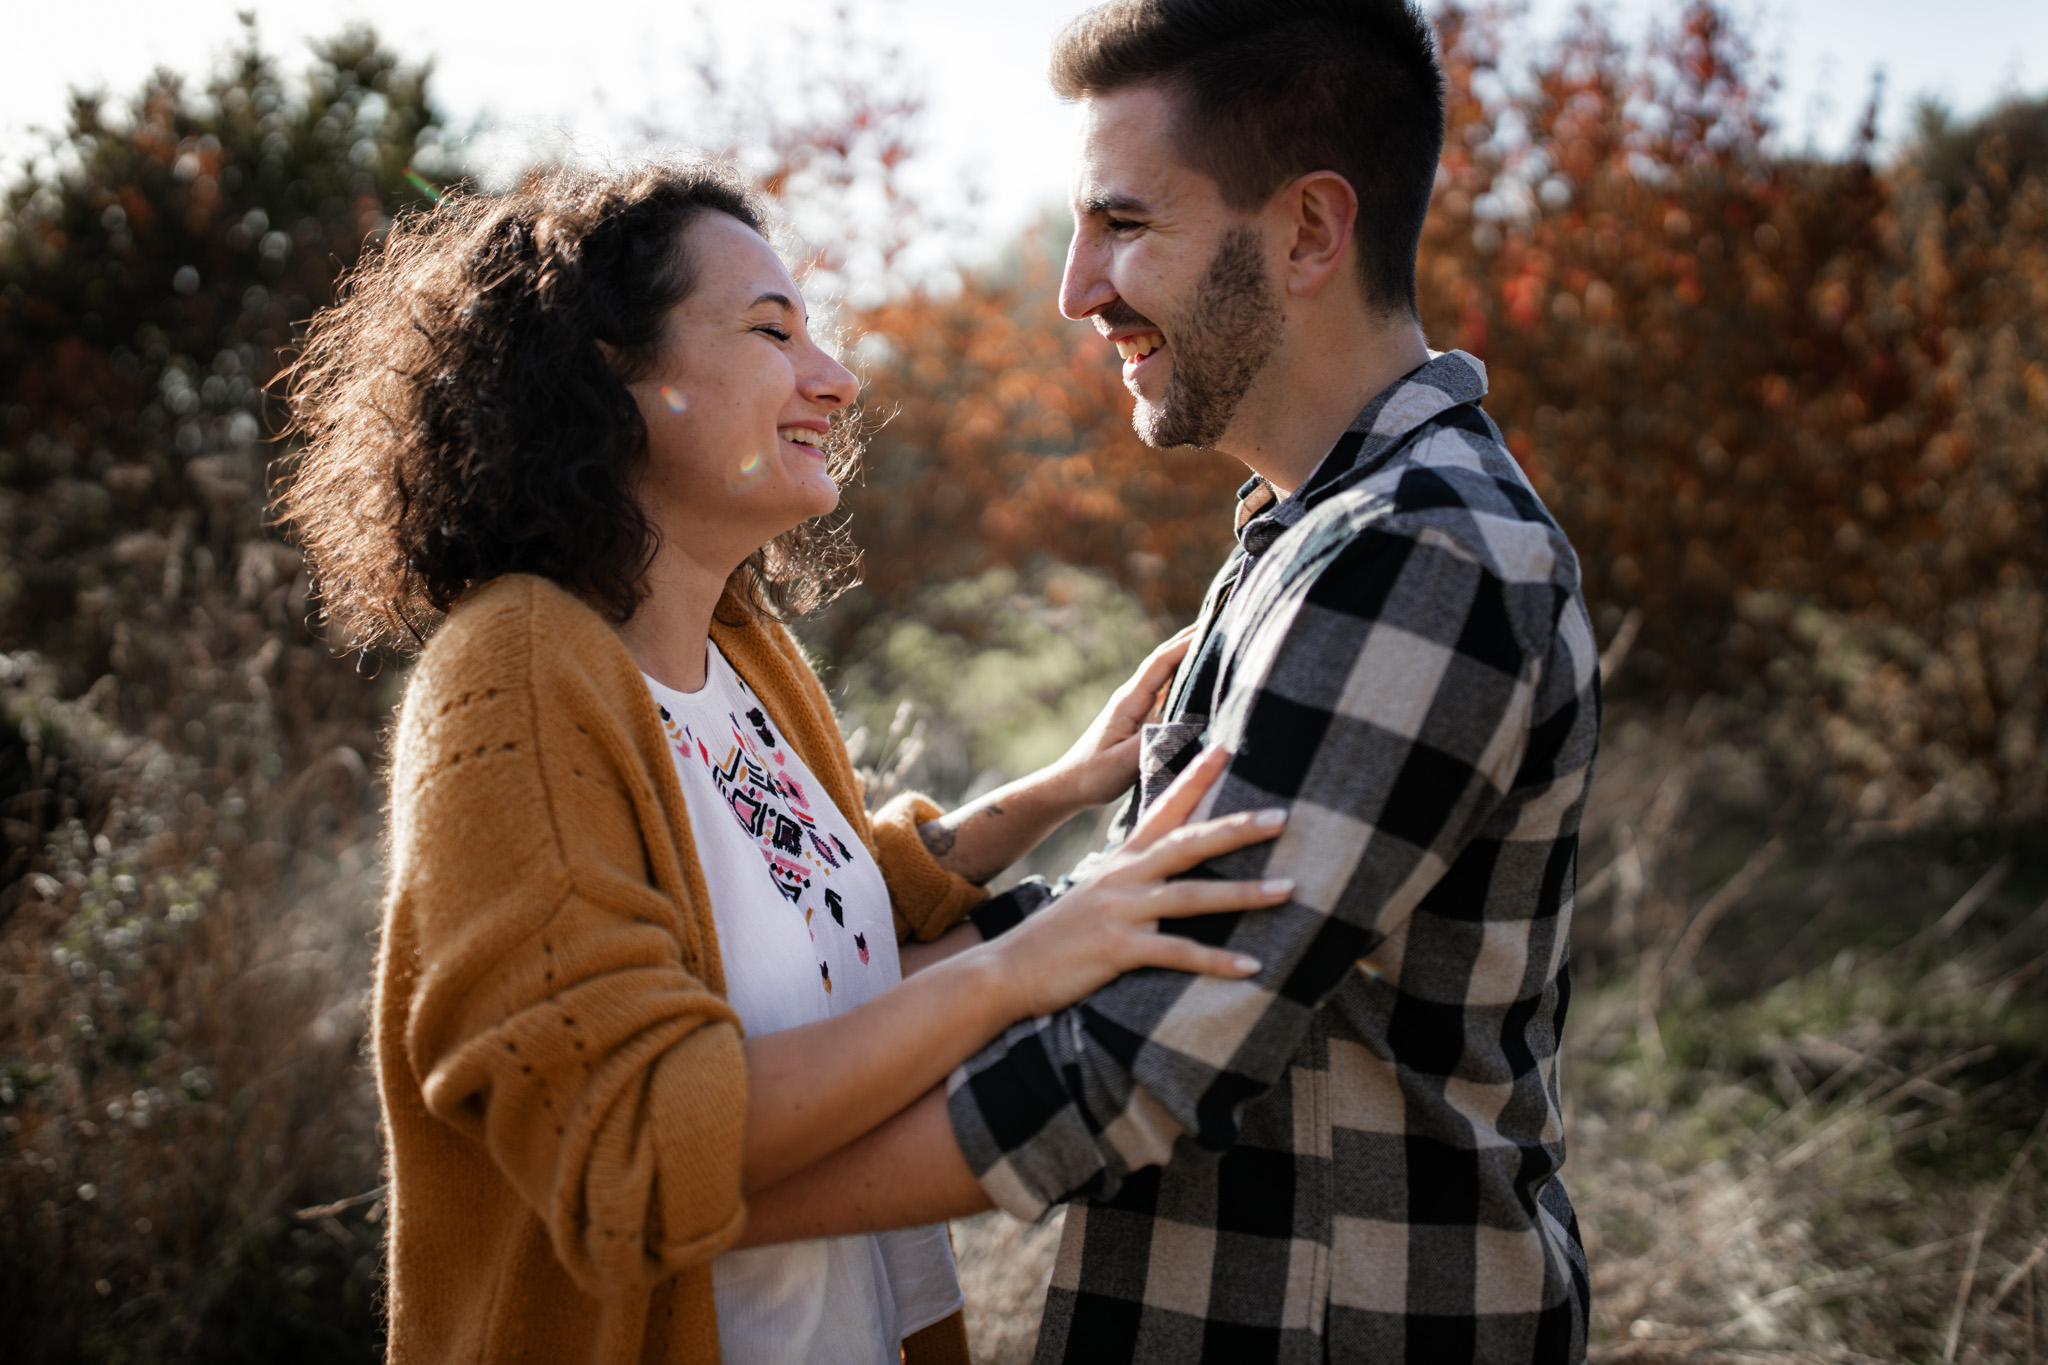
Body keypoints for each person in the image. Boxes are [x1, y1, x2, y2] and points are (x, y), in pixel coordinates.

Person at [278, 161, 1297, 1365]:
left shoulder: (737, 648)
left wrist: (1065, 787)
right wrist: (1016, 969)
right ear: (611, 371)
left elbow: (806, 915)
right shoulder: (514, 674)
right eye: (772, 331)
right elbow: (635, 1144)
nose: (837, 379)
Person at [740, 2, 1600, 1360]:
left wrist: (695, 1205)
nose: (1077, 288)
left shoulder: (1421, 552)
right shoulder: (1306, 530)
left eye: (1125, 226)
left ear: (1310, 233)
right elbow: (1129, 921)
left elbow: (1138, 1057)